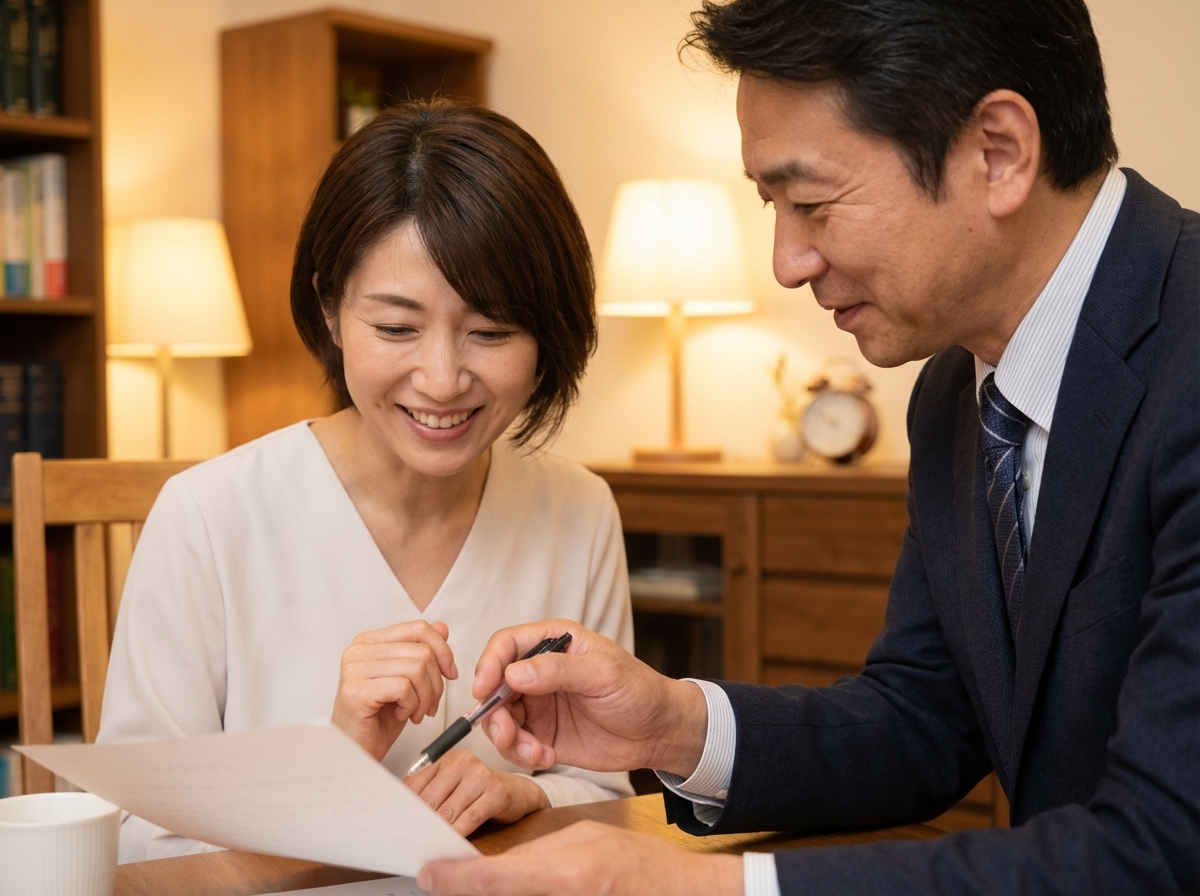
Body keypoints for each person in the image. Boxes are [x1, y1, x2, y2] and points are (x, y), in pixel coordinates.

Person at [417, 1, 1199, 893]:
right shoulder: (956, 392)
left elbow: (1164, 847)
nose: (787, 262)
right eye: (773, 206)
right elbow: (925, 718)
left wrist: (700, 887)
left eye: (812, 204)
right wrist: (671, 724)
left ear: (998, 153)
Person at [97, 99, 633, 863]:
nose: (442, 379)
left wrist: (528, 794)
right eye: (396, 328)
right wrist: (336, 757)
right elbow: (134, 839)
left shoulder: (578, 510)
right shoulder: (207, 517)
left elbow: (608, 792)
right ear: (329, 309)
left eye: (490, 331)